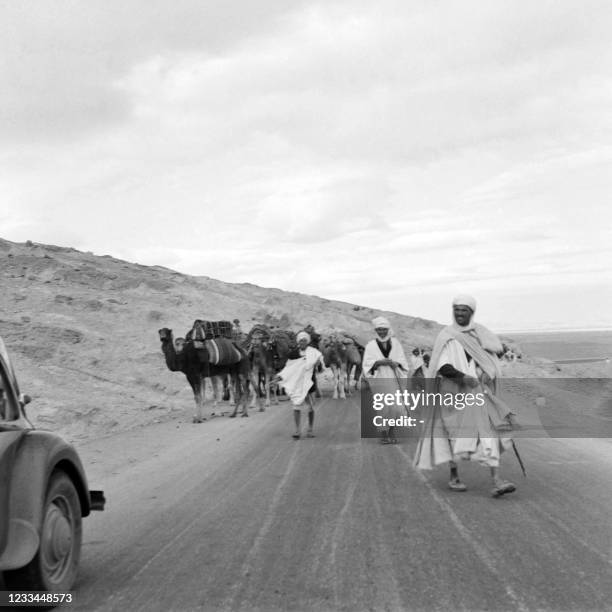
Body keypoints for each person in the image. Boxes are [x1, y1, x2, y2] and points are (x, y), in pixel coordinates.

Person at [413, 295, 517, 497]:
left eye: (464, 310)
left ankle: (496, 480)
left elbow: (489, 361)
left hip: (478, 392)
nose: (460, 313)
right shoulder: (447, 335)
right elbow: (442, 366)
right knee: (453, 435)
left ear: (471, 312)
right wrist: (463, 378)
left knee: (489, 433)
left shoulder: (480, 336)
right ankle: (454, 476)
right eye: (457, 309)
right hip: (453, 392)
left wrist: (487, 373)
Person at [362, 316, 410, 444]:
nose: (381, 332)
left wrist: (396, 364)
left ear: (388, 329)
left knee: (396, 407)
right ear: (375, 330)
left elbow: (403, 362)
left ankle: (392, 431)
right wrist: (379, 362)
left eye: (383, 329)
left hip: (394, 379)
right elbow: (367, 365)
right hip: (379, 380)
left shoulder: (396, 344)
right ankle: (384, 434)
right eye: (379, 330)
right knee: (383, 408)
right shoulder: (370, 346)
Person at [276, 331, 323, 439]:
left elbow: (319, 365)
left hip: (309, 383)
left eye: (304, 340)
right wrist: (280, 377)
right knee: (296, 406)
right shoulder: (293, 354)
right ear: (298, 341)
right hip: (297, 384)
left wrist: (317, 364)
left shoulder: (313, 352)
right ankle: (297, 430)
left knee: (310, 407)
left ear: (307, 342)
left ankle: (310, 429)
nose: (302, 342)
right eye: (301, 340)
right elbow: (288, 368)